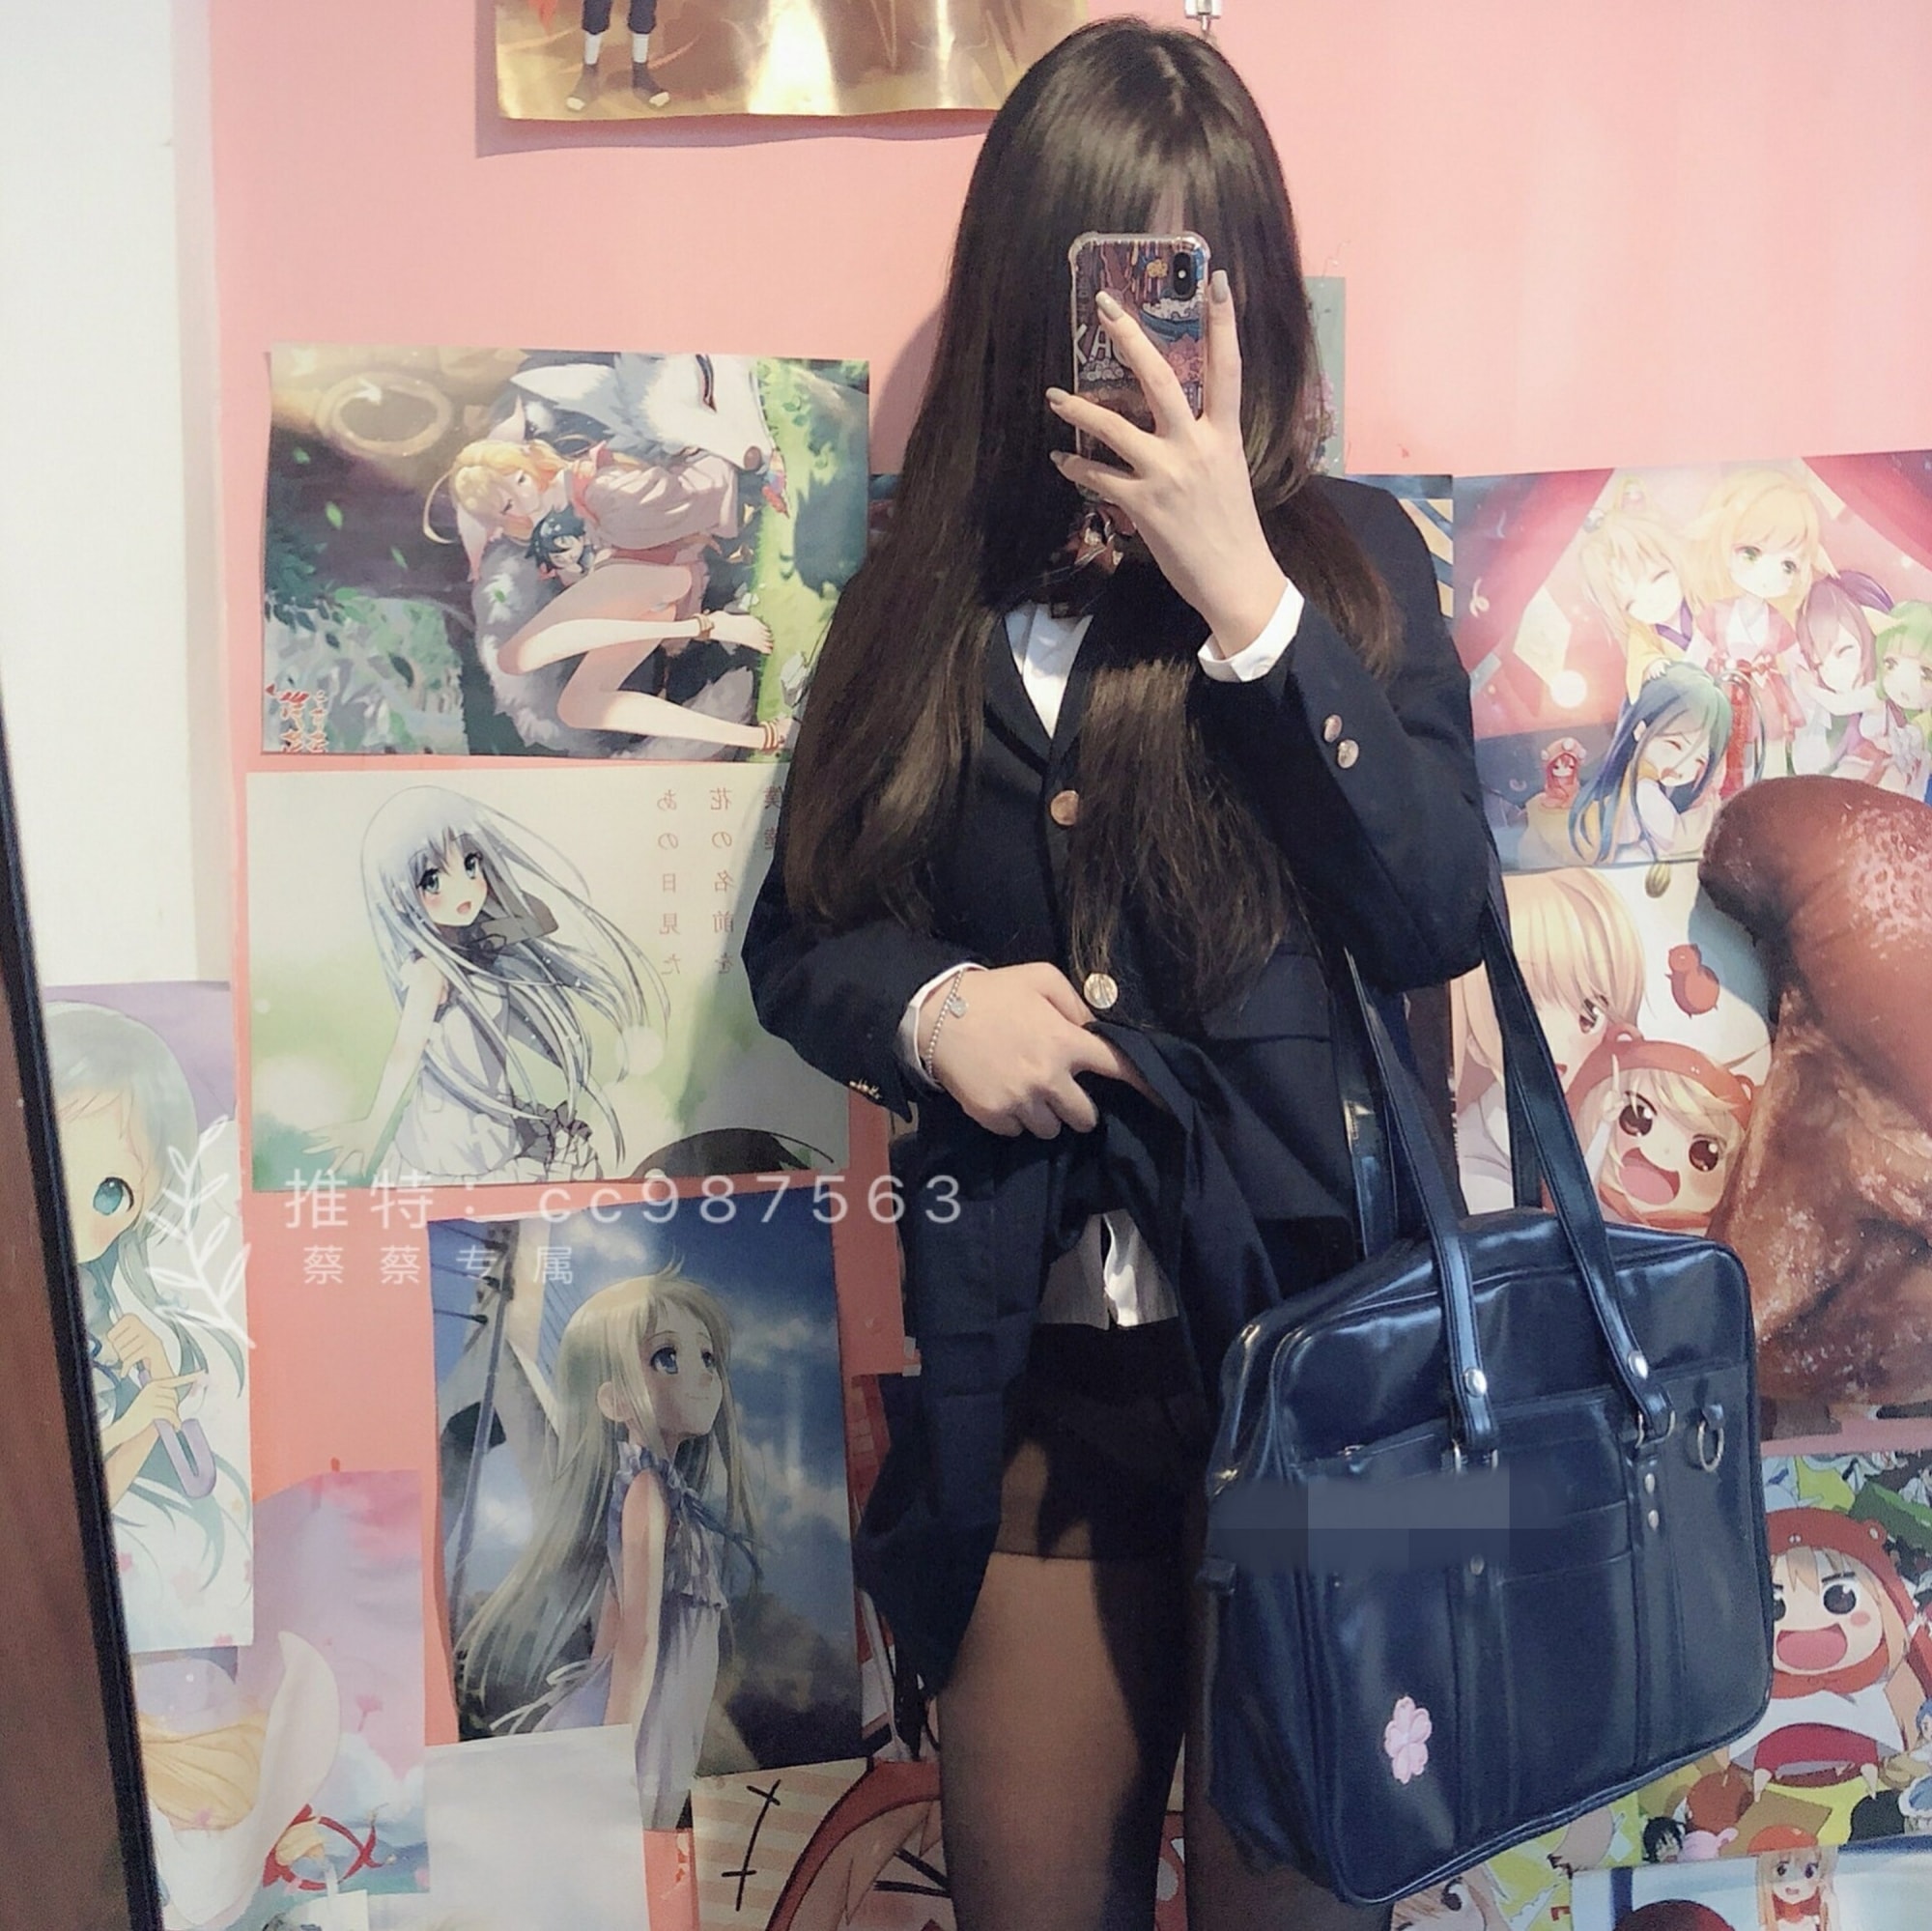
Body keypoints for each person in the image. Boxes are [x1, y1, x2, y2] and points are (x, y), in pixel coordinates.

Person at [742, 21, 1491, 1930]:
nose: (1151, 340)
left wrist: (1248, 594)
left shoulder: (1351, 575)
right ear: (1028, 294)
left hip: (1329, 1394)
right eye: (1111, 285)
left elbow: (1434, 913)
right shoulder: (918, 601)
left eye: (1191, 284)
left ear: (1252, 296)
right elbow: (800, 938)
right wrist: (938, 1012)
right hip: (1034, 1397)